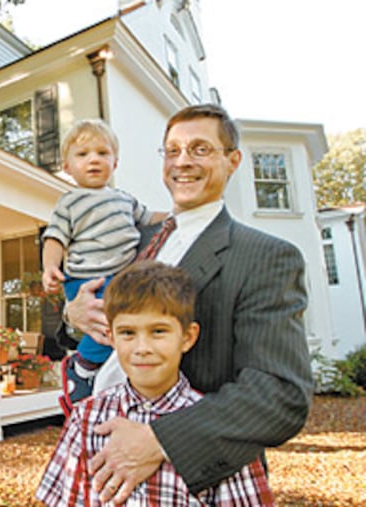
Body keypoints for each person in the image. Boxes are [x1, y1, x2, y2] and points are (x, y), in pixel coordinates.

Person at [60, 104, 313, 503]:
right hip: (98, 446)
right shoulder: (132, 241)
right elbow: (97, 308)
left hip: (189, 473)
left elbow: (279, 393)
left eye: (199, 149)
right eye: (172, 150)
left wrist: (159, 441)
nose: (182, 162)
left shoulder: (265, 256)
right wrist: (73, 313)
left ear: (232, 161)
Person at [36, 261, 275, 506]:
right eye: (128, 333)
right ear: (111, 337)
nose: (142, 349)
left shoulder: (215, 429)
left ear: (187, 337)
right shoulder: (86, 419)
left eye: (158, 331)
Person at [41, 119, 165, 412]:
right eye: (82, 155)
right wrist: (49, 268)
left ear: (115, 162)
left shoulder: (125, 199)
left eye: (102, 153)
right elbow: (55, 238)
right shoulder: (70, 202)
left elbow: (150, 218)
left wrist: (179, 213)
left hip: (119, 277)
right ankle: (81, 368)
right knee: (109, 325)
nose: (93, 159)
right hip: (86, 279)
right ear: (67, 167)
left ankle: (105, 376)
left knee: (126, 325)